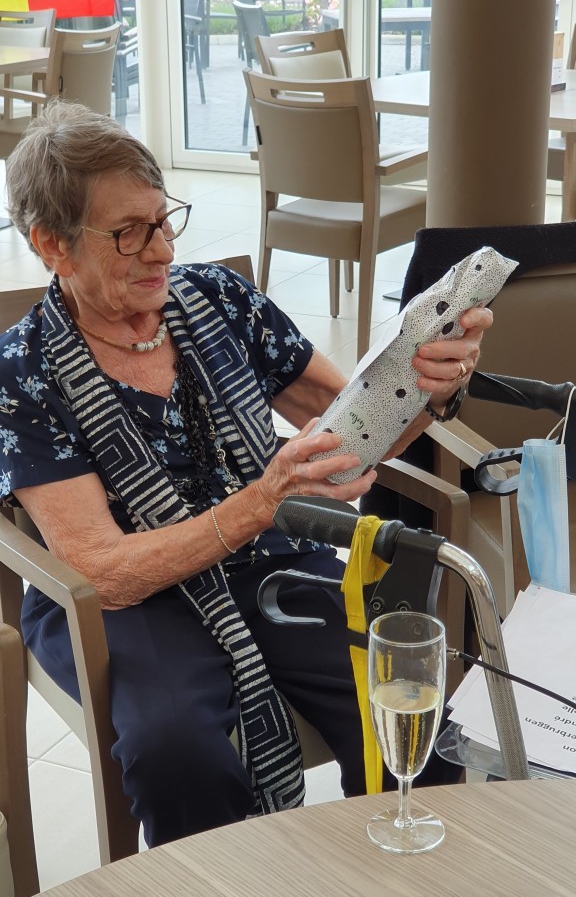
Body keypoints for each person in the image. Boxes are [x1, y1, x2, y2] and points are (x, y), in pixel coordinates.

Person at [1, 102, 490, 848]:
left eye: (164, 220)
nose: (162, 250)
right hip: (129, 604)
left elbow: (351, 423)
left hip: (271, 556)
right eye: (129, 232)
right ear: (51, 245)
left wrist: (430, 385)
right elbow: (101, 569)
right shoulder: (22, 373)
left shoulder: (219, 300)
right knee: (174, 749)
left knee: (405, 698)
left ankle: (400, 886)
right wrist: (260, 503)